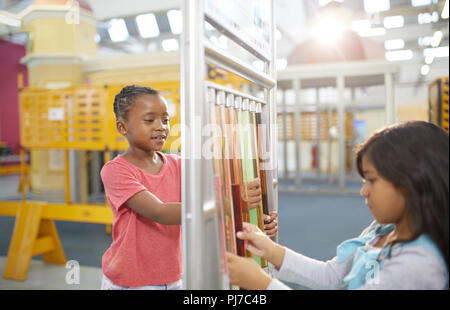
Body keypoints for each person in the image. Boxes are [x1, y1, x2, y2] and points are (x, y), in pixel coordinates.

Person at [226, 121, 449, 290]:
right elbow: (332, 276)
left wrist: (264, 284)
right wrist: (271, 250)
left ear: (411, 182)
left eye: (372, 180)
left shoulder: (417, 265)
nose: (364, 191)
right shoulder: (382, 230)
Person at [100, 85, 277, 290]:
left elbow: (219, 194)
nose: (161, 127)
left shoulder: (178, 165)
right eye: (150, 120)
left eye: (165, 120)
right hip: (130, 281)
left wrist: (260, 220)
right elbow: (160, 212)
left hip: (174, 276)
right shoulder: (115, 171)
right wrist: (233, 204)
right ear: (122, 127)